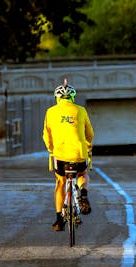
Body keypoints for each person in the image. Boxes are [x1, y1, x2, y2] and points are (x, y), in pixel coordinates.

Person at [43, 79, 94, 231]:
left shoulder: (51, 112)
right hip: (79, 153)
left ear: (57, 98)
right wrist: (88, 147)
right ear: (72, 97)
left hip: (60, 155)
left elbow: (47, 135)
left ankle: (59, 219)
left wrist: (52, 150)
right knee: (83, 174)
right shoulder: (81, 110)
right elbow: (89, 134)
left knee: (60, 183)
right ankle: (83, 195)